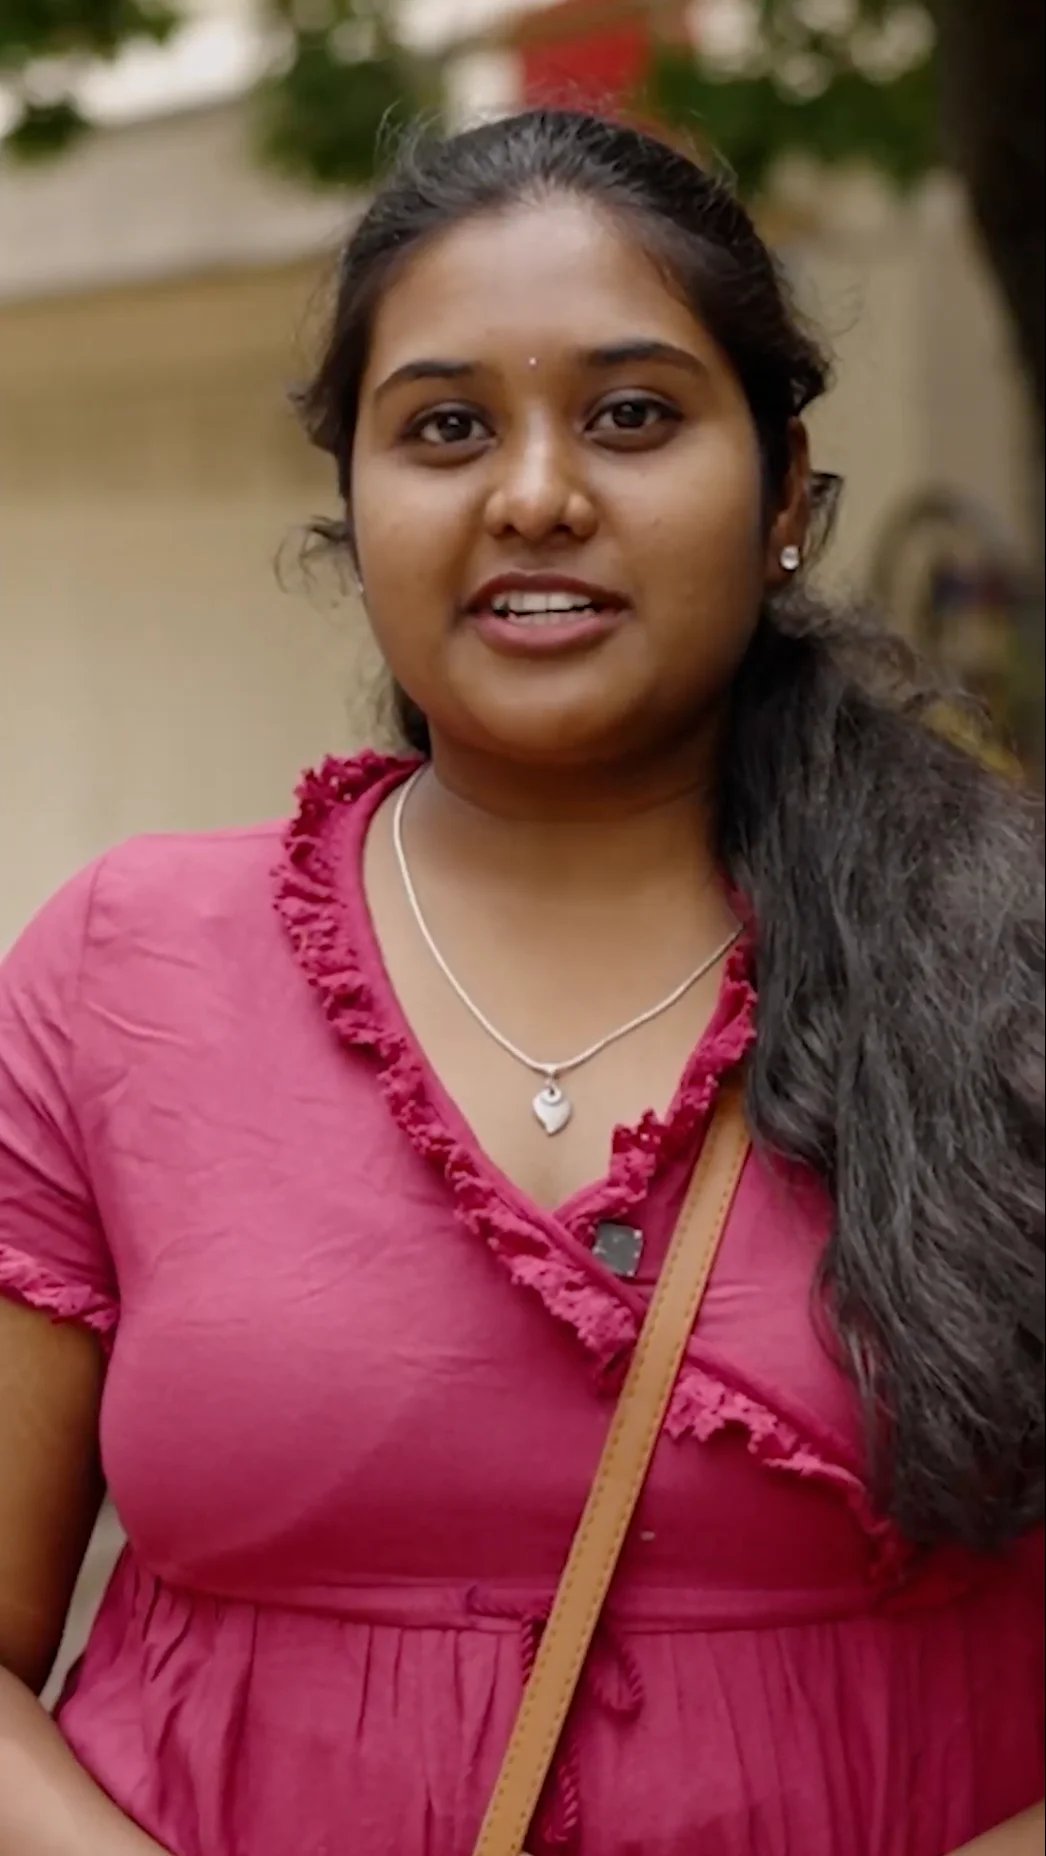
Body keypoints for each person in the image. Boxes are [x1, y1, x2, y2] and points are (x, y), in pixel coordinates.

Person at [0, 107, 1042, 1856]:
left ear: (783, 492)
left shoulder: (1003, 964)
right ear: (352, 501)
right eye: (445, 427)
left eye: (631, 415)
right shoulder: (123, 970)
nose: (536, 490)